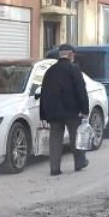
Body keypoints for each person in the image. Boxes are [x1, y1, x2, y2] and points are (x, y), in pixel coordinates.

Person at [39, 43, 90, 176]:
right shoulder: (74, 69)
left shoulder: (50, 71)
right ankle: (79, 162)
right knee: (76, 137)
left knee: (55, 139)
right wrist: (85, 108)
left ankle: (54, 168)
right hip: (71, 111)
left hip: (53, 112)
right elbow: (81, 90)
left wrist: (43, 114)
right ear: (70, 54)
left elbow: (44, 93)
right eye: (73, 54)